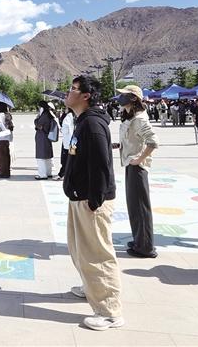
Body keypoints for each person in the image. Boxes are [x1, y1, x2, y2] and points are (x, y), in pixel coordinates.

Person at [63, 75, 124, 331]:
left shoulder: (92, 124)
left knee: (97, 254)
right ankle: (91, 287)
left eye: (73, 89)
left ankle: (109, 311)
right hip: (79, 196)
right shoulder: (81, 121)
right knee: (79, 249)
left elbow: (101, 164)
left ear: (86, 96)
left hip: (91, 200)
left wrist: (95, 200)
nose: (68, 93)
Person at [116, 85, 159, 258]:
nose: (120, 97)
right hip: (130, 164)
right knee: (134, 206)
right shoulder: (131, 117)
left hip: (137, 168)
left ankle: (145, 247)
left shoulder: (140, 119)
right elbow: (133, 140)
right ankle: (139, 240)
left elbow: (153, 141)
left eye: (124, 95)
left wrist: (140, 159)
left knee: (140, 207)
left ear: (134, 98)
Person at [34, 101, 58, 180]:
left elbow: (39, 125)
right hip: (47, 137)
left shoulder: (44, 116)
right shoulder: (48, 114)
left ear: (42, 107)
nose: (38, 109)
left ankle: (42, 174)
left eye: (39, 107)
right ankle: (48, 173)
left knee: (41, 157)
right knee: (47, 156)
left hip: (42, 138)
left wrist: (36, 119)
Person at [0, 102, 13, 178]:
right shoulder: (8, 114)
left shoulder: (0, 115)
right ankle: (7, 172)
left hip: (1, 136)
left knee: (2, 156)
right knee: (6, 155)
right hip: (7, 137)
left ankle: (3, 172)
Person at [57, 107, 75, 180]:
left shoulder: (68, 117)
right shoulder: (75, 116)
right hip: (74, 141)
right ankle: (70, 174)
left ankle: (63, 174)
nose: (65, 109)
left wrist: (61, 129)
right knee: (72, 158)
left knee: (65, 159)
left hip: (68, 141)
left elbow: (65, 129)